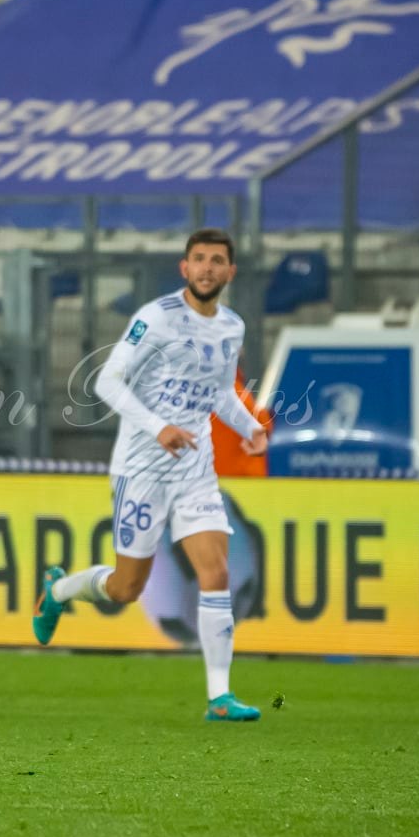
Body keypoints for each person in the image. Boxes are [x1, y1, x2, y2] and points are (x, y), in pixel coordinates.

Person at [34, 229, 268, 723]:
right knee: (125, 588)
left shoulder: (231, 327)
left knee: (217, 571)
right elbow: (105, 380)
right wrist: (159, 427)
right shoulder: (156, 318)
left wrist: (249, 427)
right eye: (198, 259)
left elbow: (221, 390)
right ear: (184, 269)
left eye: (217, 260)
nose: (207, 268)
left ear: (230, 272)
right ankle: (57, 591)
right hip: (141, 469)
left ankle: (219, 698)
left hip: (195, 471)